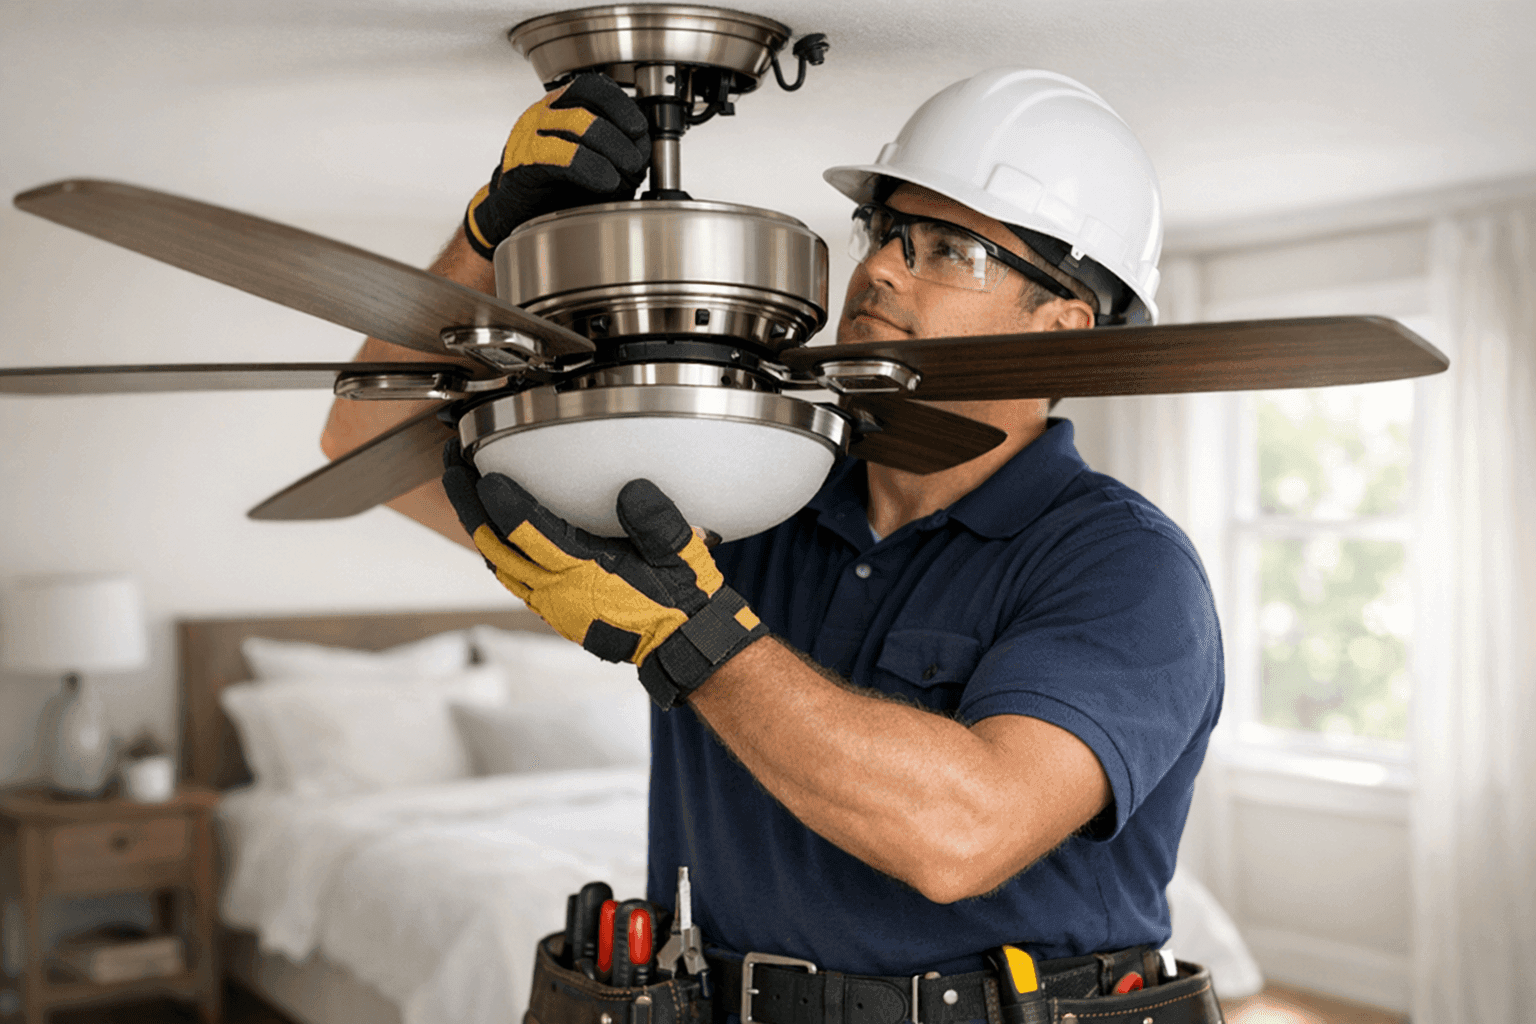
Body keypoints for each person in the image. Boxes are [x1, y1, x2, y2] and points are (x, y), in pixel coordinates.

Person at [322, 67, 1224, 1020]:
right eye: (885, 231)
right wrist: (491, 233)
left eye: (951, 251)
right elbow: (364, 435)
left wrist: (697, 635)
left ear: (1062, 327)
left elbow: (962, 834)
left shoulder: (1126, 568)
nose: (881, 270)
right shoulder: (745, 495)